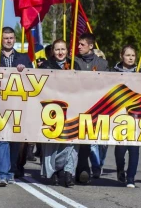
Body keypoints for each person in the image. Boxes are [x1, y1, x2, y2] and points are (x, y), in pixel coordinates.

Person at [0, 27, 32, 187]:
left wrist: (26, 71)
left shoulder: (24, 58)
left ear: (15, 39)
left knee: (15, 141)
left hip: (19, 105)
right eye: (5, 38)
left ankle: (11, 171)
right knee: (1, 139)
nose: (8, 40)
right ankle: (3, 174)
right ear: (1, 40)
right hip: (0, 106)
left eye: (11, 38)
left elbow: (35, 79)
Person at [40, 39, 79, 187]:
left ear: (67, 51)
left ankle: (69, 172)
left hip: (73, 109)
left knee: (72, 142)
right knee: (52, 144)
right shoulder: (45, 66)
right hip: (52, 111)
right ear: (52, 51)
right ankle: (53, 172)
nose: (60, 52)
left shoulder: (75, 64)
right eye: (57, 49)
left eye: (63, 49)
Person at [73, 32, 108, 184]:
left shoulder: (102, 64)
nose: (78, 47)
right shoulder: (73, 61)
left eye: (82, 44)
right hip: (75, 106)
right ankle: (76, 169)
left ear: (91, 46)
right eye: (78, 44)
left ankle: (84, 169)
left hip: (94, 108)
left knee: (87, 140)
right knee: (75, 140)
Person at [112, 45, 141, 188]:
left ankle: (131, 178)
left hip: (135, 116)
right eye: (128, 55)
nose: (130, 58)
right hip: (119, 116)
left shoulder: (140, 72)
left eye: (133, 55)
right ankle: (120, 169)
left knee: (134, 149)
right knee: (120, 150)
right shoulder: (113, 72)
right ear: (121, 56)